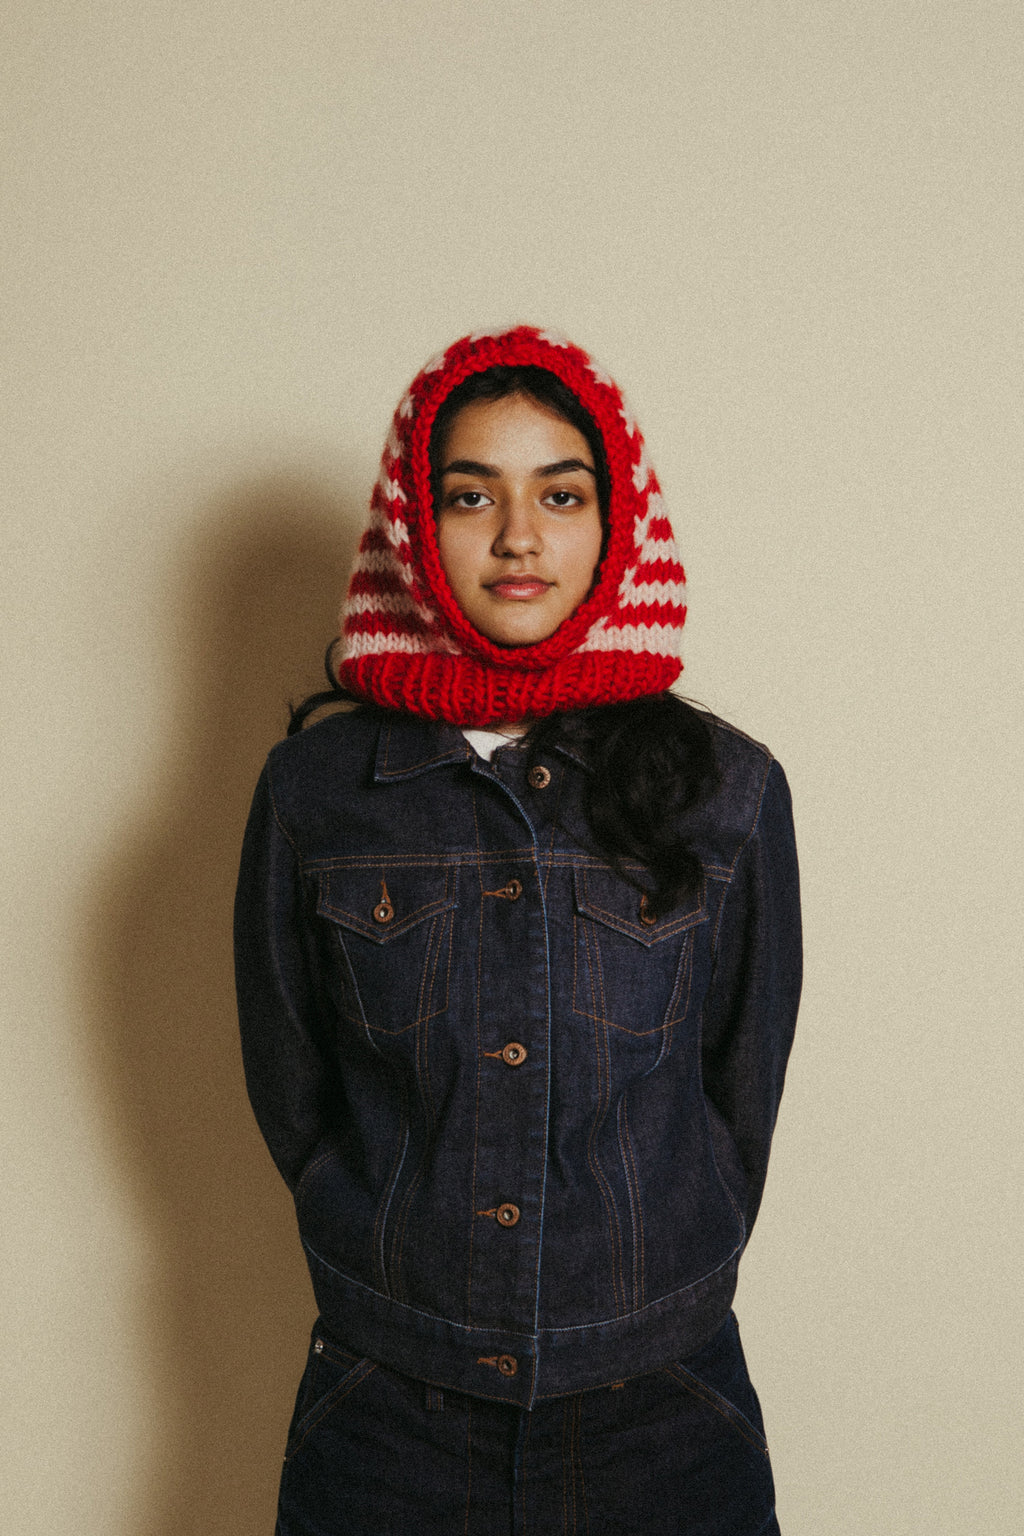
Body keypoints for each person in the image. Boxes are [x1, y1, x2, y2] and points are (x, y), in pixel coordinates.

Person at [234, 325, 802, 1534]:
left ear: (613, 525)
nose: (518, 536)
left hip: (663, 1409)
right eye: (468, 494)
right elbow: (295, 1091)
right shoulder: (315, 795)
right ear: (412, 528)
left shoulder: (729, 790)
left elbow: (738, 1090)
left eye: (560, 492)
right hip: (389, 1411)